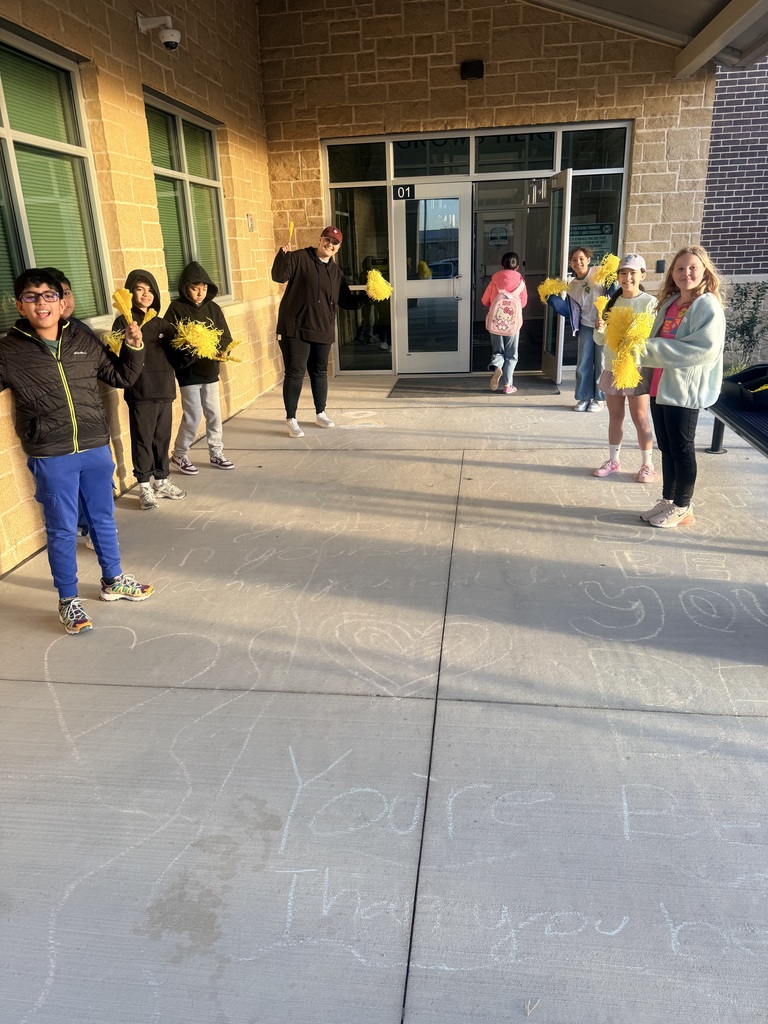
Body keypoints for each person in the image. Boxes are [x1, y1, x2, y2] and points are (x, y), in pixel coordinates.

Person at [0, 269, 154, 635]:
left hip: (95, 446)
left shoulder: (80, 339)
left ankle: (113, 580)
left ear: (61, 300)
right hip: (51, 453)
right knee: (63, 529)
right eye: (32, 296)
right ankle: (68, 599)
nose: (42, 303)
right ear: (19, 305)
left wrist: (135, 346)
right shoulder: (9, 351)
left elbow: (120, 378)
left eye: (49, 295)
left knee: (103, 518)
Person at [638, 245, 725, 528]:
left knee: (681, 447)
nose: (686, 273)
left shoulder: (707, 304)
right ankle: (668, 500)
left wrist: (650, 347)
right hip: (660, 385)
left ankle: (683, 506)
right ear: (672, 274)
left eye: (692, 268)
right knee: (666, 446)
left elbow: (703, 349)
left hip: (684, 389)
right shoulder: (670, 303)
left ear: (704, 272)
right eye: (680, 268)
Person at [271, 226, 370, 438]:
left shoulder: (336, 273)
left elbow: (346, 301)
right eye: (327, 239)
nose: (330, 245)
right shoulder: (299, 258)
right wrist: (283, 256)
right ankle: (291, 419)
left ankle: (320, 413)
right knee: (295, 373)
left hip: (322, 329)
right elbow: (279, 276)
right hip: (295, 328)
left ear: (339, 248)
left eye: (334, 243)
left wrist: (368, 297)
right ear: (320, 239)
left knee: (319, 373)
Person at [112, 270, 187, 509]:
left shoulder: (162, 323)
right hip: (140, 391)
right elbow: (117, 357)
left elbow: (177, 359)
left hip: (164, 389)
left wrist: (192, 350)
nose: (146, 294)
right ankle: (144, 485)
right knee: (143, 439)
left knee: (161, 438)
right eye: (140, 289)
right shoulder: (124, 322)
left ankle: (161, 481)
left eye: (150, 289)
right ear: (130, 292)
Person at [592, 254, 658, 482]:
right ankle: (614, 460)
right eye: (623, 273)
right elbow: (600, 341)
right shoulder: (611, 302)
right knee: (615, 416)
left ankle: (647, 464)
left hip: (636, 369)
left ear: (642, 276)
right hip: (612, 367)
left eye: (633, 273)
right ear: (618, 276)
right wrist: (600, 328)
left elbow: (653, 339)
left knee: (640, 417)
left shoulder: (650, 303)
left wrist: (634, 343)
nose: (627, 277)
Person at [165, 262, 235, 474]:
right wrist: (188, 349)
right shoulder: (175, 309)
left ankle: (216, 452)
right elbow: (169, 341)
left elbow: (226, 337)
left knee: (214, 414)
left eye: (203, 288)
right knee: (193, 415)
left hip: (210, 371)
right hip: (188, 373)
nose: (200, 293)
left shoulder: (214, 308)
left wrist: (223, 351)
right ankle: (179, 454)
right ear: (186, 287)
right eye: (195, 288)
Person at [547, 246, 613, 411]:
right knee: (583, 363)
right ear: (570, 264)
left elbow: (613, 293)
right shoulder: (572, 286)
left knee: (601, 363)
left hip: (602, 326)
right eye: (574, 260)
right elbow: (571, 311)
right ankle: (584, 397)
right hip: (585, 325)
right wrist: (551, 299)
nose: (578, 262)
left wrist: (607, 319)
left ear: (588, 260)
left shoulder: (599, 272)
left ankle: (599, 399)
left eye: (581, 258)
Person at [481, 251, 528, 395]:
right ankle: (508, 385)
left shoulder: (494, 281)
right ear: (517, 267)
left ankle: (497, 366)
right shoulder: (521, 283)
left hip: (495, 325)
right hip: (513, 325)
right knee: (512, 355)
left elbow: (484, 301)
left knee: (498, 351)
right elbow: (524, 303)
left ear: (501, 266)